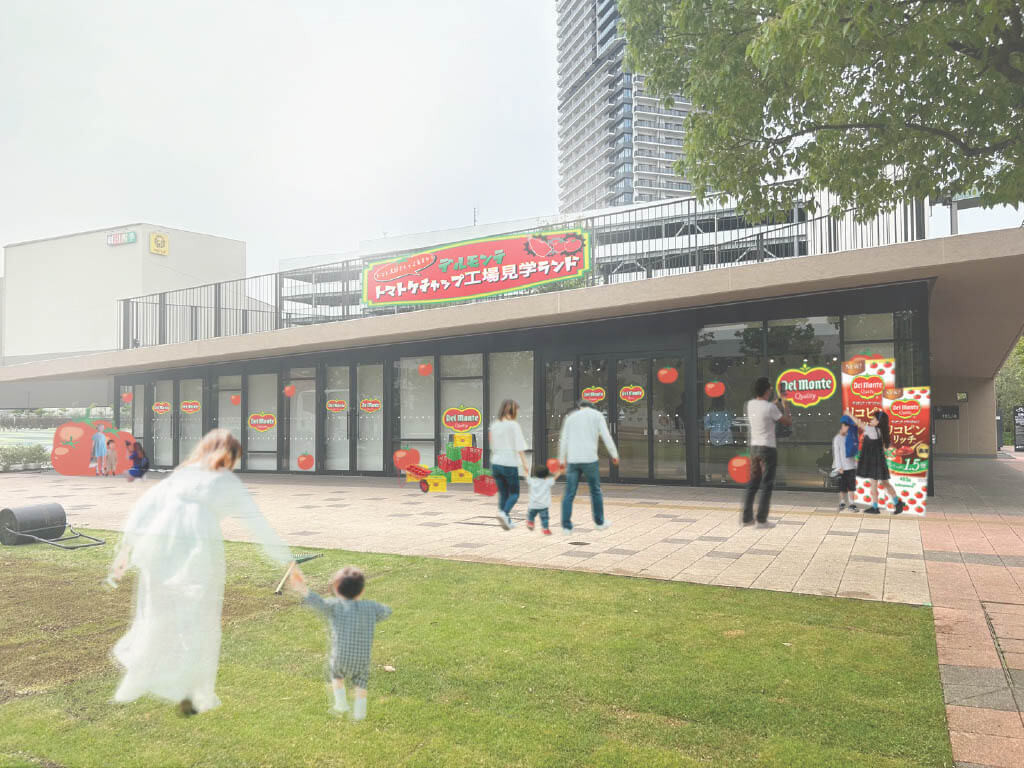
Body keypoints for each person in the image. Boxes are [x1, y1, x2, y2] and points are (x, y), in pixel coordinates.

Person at [106, 429, 293, 715]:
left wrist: (125, 549)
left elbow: (144, 508)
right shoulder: (223, 481)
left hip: (159, 545)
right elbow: (257, 522)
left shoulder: (182, 475)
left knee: (156, 615)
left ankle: (138, 681)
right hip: (196, 551)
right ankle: (196, 691)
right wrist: (285, 559)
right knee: (200, 622)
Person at [286, 565, 391, 720]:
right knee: (361, 683)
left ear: (336, 590)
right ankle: (360, 713)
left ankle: (341, 704)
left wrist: (302, 587)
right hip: (362, 659)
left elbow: (317, 602)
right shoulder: (370, 607)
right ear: (362, 590)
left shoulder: (334, 606)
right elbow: (386, 611)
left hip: (340, 658)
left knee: (337, 676)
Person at [558, 400, 619, 534]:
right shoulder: (597, 416)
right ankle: (599, 523)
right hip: (590, 460)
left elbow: (564, 440)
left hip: (573, 460)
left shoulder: (571, 417)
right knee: (595, 491)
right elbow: (606, 436)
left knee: (569, 493)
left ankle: (566, 527)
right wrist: (614, 454)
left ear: (580, 407)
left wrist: (561, 460)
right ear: (592, 407)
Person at [741, 377, 792, 528]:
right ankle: (761, 520)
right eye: (770, 388)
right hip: (768, 449)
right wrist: (786, 404)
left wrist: (778, 401)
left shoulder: (750, 405)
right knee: (767, 484)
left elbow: (767, 407)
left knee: (753, 483)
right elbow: (787, 422)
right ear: (766, 390)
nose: (771, 390)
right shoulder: (770, 408)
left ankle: (746, 518)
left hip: (754, 448)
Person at [846, 408, 906, 515]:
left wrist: (849, 414)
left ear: (878, 422)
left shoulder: (872, 430)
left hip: (874, 462)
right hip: (880, 461)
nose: (870, 420)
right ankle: (898, 503)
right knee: (886, 483)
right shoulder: (881, 432)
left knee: (874, 485)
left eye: (873, 419)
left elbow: (859, 423)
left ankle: (875, 507)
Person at [488, 399, 530, 531]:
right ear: (512, 410)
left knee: (503, 494)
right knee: (514, 494)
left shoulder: (494, 425)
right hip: (509, 463)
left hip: (496, 463)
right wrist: (525, 465)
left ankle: (507, 521)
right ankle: (503, 513)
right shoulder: (513, 425)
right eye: (516, 410)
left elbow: (492, 445)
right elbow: (519, 447)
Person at [832, 415, 859, 512]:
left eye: (848, 426)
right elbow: (837, 454)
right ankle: (842, 502)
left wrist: (856, 464)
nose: (846, 428)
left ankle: (852, 504)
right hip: (842, 468)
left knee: (851, 487)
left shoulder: (852, 437)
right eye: (845, 426)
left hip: (851, 467)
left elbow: (855, 452)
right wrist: (839, 467)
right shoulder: (838, 438)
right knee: (842, 487)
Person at [525, 463, 562, 535]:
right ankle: (545, 529)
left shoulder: (532, 481)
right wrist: (560, 471)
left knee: (531, 514)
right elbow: (555, 477)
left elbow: (526, 474)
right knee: (544, 518)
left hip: (533, 504)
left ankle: (530, 522)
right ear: (546, 475)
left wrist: (526, 470)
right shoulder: (547, 482)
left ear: (535, 474)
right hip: (543, 505)